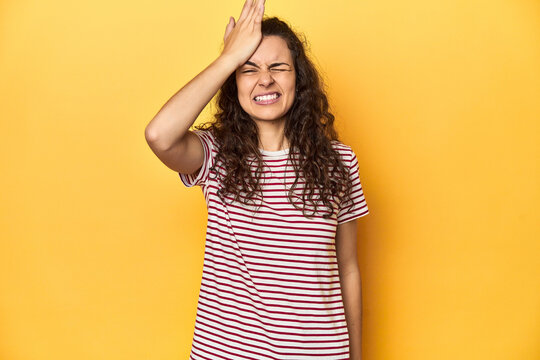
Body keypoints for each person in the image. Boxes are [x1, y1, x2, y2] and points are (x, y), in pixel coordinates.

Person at [145, 0, 369, 358]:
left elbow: (348, 268)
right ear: (233, 84)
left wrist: (357, 356)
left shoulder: (339, 162)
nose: (265, 78)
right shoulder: (215, 154)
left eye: (278, 67)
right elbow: (159, 135)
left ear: (299, 78)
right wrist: (227, 59)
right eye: (249, 69)